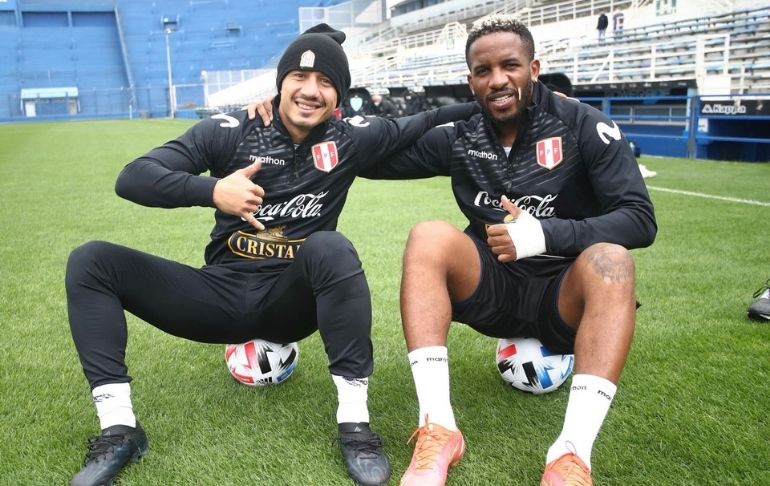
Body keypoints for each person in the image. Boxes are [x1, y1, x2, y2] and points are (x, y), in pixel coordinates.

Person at [65, 23, 476, 486]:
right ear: (280, 82)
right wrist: (213, 189)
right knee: (91, 260)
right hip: (217, 296)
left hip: (291, 304)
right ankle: (119, 428)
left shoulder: (350, 138)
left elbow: (430, 120)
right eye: (300, 78)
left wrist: (522, 100)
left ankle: (355, 424)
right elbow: (134, 176)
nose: (311, 90)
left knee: (330, 247)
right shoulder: (231, 131)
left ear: (338, 95)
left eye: (326, 82)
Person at [358, 15, 657, 486]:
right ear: (470, 79)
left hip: (562, 294)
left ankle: (571, 456)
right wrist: (295, 115)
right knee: (429, 235)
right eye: (483, 70)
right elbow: (369, 156)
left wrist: (544, 234)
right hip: (493, 288)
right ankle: (439, 427)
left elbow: (639, 219)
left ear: (533, 68)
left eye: (510, 66)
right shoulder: (462, 134)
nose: (497, 80)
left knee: (613, 261)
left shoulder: (584, 126)